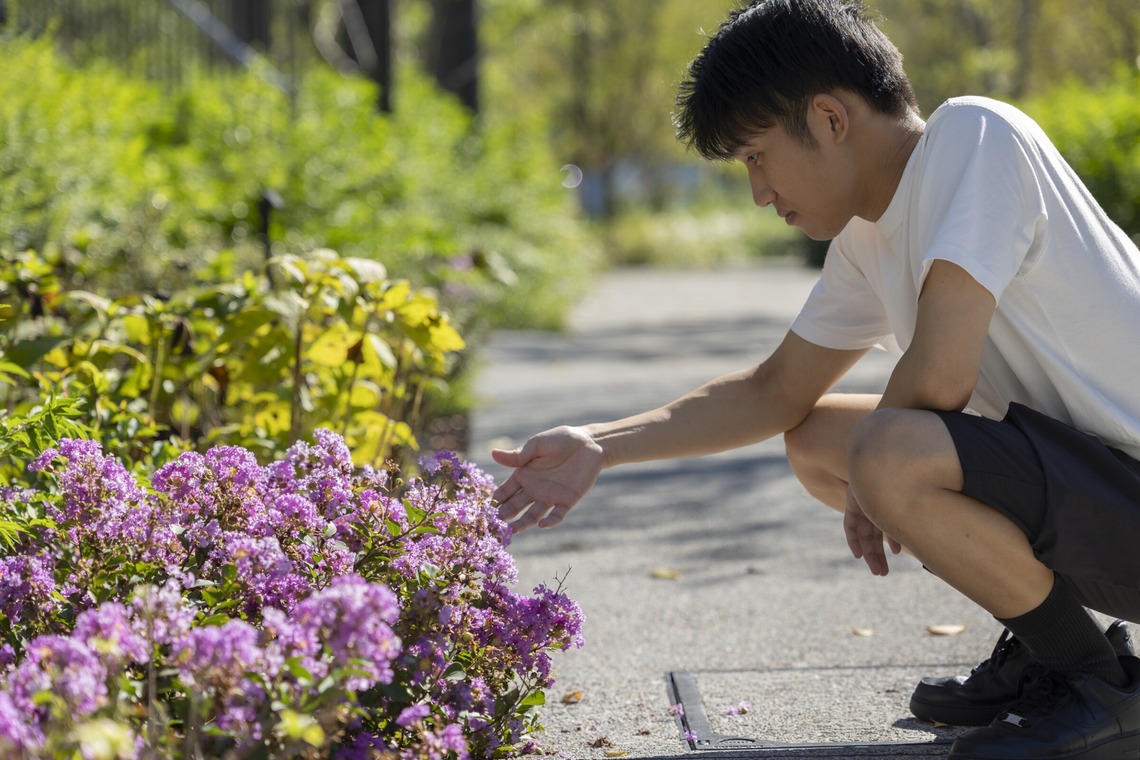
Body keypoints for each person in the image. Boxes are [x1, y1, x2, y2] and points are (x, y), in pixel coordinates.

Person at [491, 0, 1140, 757]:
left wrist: (877, 476)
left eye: (757, 156)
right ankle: (1046, 641)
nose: (758, 192)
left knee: (889, 448)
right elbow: (775, 390)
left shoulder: (975, 136)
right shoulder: (870, 235)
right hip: (1098, 491)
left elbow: (939, 375)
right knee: (819, 439)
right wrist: (600, 444)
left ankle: (1100, 685)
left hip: (1121, 491)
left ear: (830, 118)